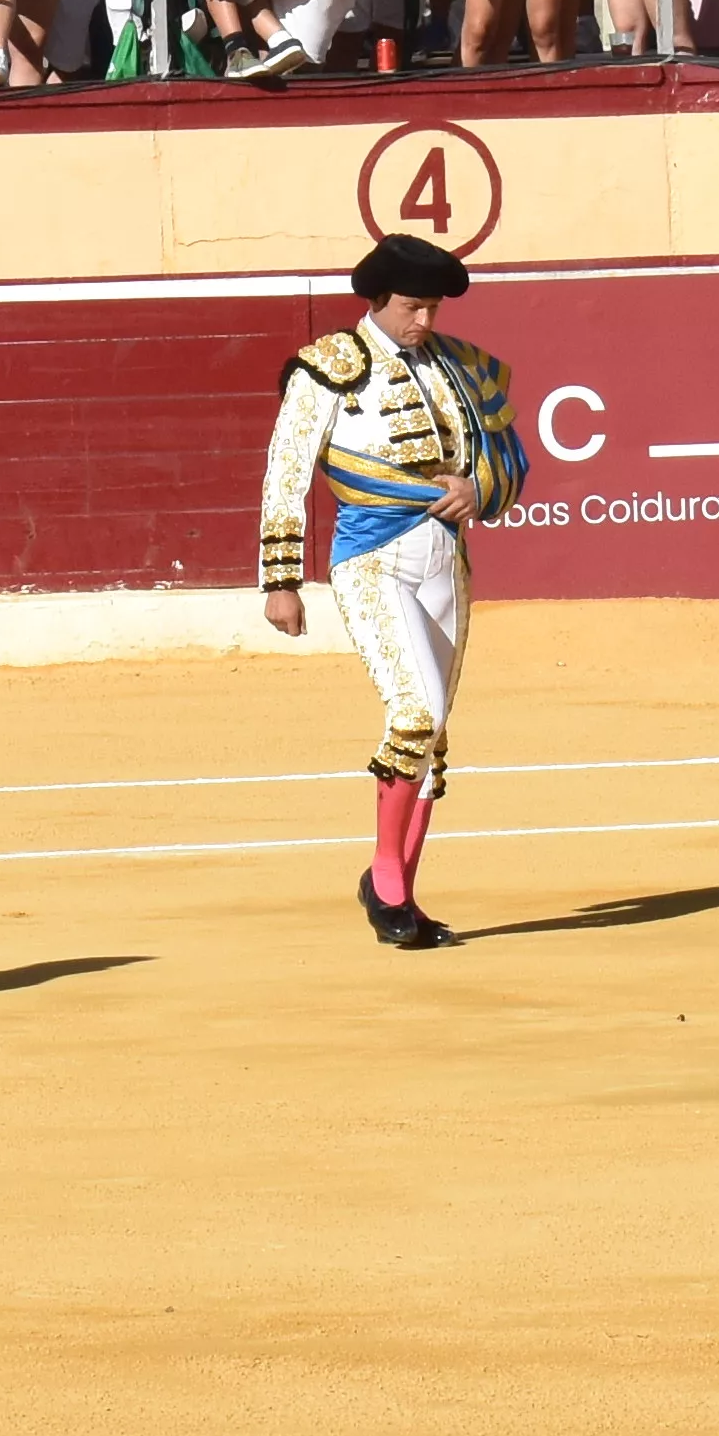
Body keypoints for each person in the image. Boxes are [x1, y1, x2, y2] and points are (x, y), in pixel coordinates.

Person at [256, 235, 526, 952]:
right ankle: (383, 880)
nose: (425, 322)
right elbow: (287, 474)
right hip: (371, 557)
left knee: (434, 738)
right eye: (413, 307)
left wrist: (479, 490)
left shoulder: (460, 368)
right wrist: (282, 582)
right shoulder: (328, 370)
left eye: (432, 307)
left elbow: (508, 459)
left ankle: (403, 891)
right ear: (378, 301)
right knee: (415, 712)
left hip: (447, 560)